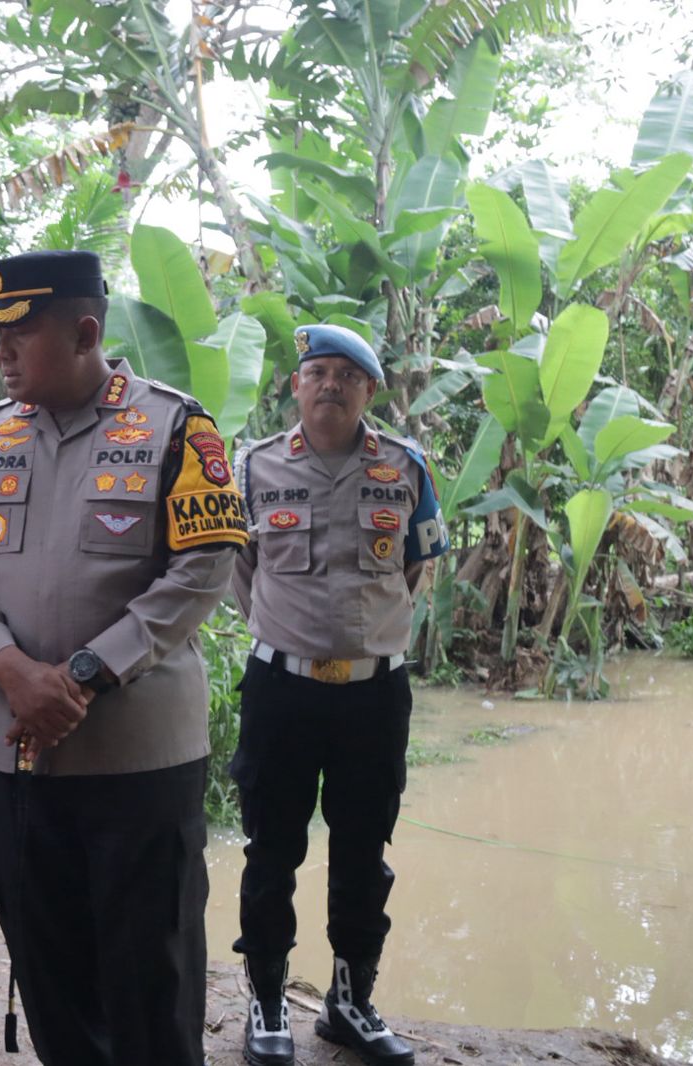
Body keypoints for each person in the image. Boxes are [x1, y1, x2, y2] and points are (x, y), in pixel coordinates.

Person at [0, 250, 248, 1066]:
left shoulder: (176, 426)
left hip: (139, 763)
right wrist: (11, 669)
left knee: (152, 979)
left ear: (85, 331)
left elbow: (205, 566)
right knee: (49, 973)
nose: (1, 350)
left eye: (19, 330)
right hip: (21, 761)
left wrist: (82, 674)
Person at [229, 324, 448, 1066]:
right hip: (280, 691)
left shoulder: (407, 468)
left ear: (369, 391)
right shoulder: (253, 467)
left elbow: (415, 570)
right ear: (296, 385)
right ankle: (265, 1002)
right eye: (317, 372)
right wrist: (292, 631)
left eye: (347, 376)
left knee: (363, 853)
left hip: (372, 697)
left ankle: (349, 1005)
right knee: (272, 850)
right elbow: (240, 571)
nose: (330, 385)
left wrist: (362, 639)